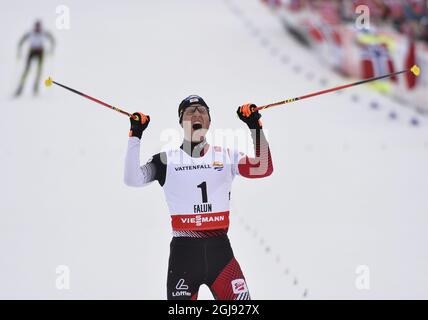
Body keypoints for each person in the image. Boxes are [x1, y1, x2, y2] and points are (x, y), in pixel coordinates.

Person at [124, 95, 273, 300]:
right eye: (190, 111)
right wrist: (135, 135)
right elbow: (133, 178)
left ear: (209, 122)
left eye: (202, 111)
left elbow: (263, 167)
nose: (196, 114)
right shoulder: (166, 160)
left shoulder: (227, 156)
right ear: (181, 122)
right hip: (184, 257)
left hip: (221, 255)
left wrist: (254, 125)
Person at [15, 20, 55, 97]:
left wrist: (51, 49)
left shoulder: (44, 32)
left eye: (39, 27)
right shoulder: (30, 32)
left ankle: (35, 88)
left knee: (39, 71)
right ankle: (20, 88)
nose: (38, 28)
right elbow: (21, 41)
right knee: (26, 70)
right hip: (32, 51)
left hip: (40, 52)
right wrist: (19, 51)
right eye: (36, 27)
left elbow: (52, 39)